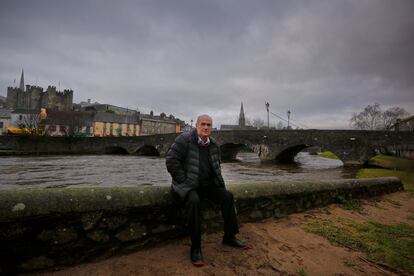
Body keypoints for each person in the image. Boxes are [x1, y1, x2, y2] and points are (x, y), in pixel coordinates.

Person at [166, 114, 247, 267]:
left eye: (209, 125)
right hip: (187, 185)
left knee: (227, 197)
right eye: (203, 124)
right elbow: (171, 160)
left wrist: (219, 185)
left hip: (206, 185)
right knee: (194, 201)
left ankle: (229, 236)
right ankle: (196, 247)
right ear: (196, 126)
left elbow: (217, 167)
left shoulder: (214, 145)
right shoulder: (184, 140)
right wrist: (183, 180)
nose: (206, 127)